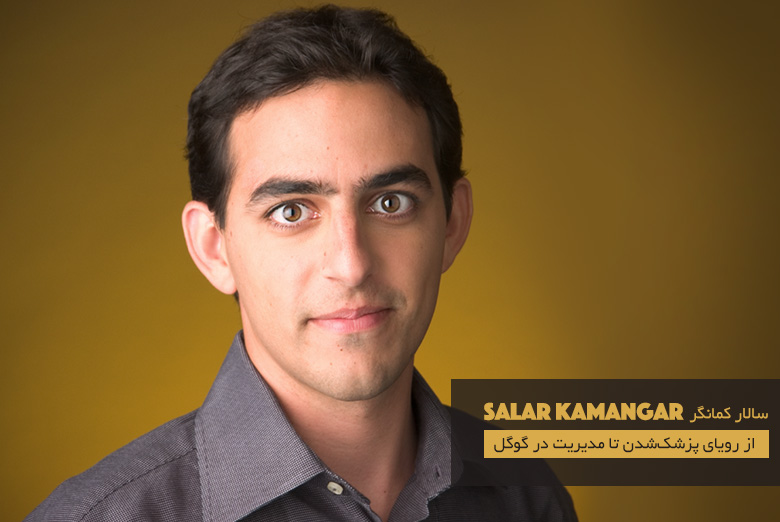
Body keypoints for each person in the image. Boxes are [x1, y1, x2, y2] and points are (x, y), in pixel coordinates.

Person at [27, 5, 576, 521]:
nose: (351, 264)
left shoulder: (526, 492)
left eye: (391, 203)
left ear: (452, 223)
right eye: (291, 211)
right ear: (214, 248)